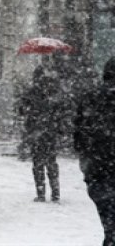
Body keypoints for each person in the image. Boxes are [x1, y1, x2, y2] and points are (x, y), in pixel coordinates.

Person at [75, 57, 115, 246]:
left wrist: (87, 164)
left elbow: (79, 136)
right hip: (101, 167)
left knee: (109, 225)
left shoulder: (90, 97)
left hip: (98, 171)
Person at [17, 65, 64, 202]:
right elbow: (59, 112)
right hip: (50, 132)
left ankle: (41, 193)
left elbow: (21, 110)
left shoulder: (31, 92)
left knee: (38, 163)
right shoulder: (53, 92)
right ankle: (55, 193)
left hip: (35, 132)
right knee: (51, 162)